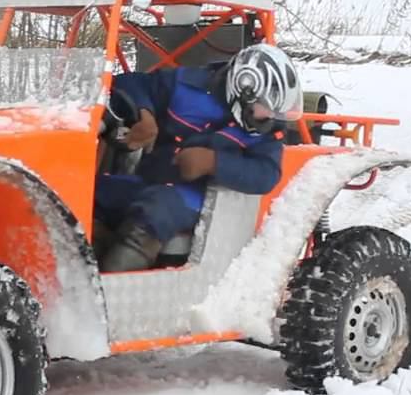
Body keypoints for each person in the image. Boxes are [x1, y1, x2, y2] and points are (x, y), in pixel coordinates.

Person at [93, 43, 303, 272]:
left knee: (156, 208)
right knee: (92, 191)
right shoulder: (186, 86)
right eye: (265, 108)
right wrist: (146, 113)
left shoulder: (266, 133)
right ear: (242, 89)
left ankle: (112, 291)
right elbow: (131, 83)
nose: (270, 117)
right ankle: (83, 263)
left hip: (198, 199)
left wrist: (213, 162)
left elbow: (266, 174)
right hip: (150, 181)